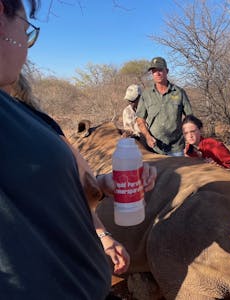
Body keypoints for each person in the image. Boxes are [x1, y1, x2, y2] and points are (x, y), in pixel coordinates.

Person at [0, 2, 157, 298]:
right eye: (26, 30)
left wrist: (103, 193)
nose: (27, 46)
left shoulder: (34, 120)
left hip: (87, 282)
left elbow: (75, 191)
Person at [136, 56, 193, 156]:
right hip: (154, 148)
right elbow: (140, 120)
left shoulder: (179, 92)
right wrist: (148, 137)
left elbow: (190, 118)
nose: (157, 73)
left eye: (160, 70)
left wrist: (190, 143)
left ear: (166, 71)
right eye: (154, 71)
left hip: (176, 148)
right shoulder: (146, 94)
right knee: (155, 172)